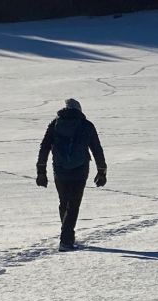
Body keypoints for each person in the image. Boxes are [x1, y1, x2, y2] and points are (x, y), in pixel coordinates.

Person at [37, 98, 107, 251]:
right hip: (80, 171)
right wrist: (102, 171)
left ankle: (67, 235)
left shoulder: (55, 124)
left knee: (64, 203)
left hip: (60, 170)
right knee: (73, 205)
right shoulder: (86, 125)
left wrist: (41, 171)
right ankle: (66, 240)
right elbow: (96, 148)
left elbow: (44, 147)